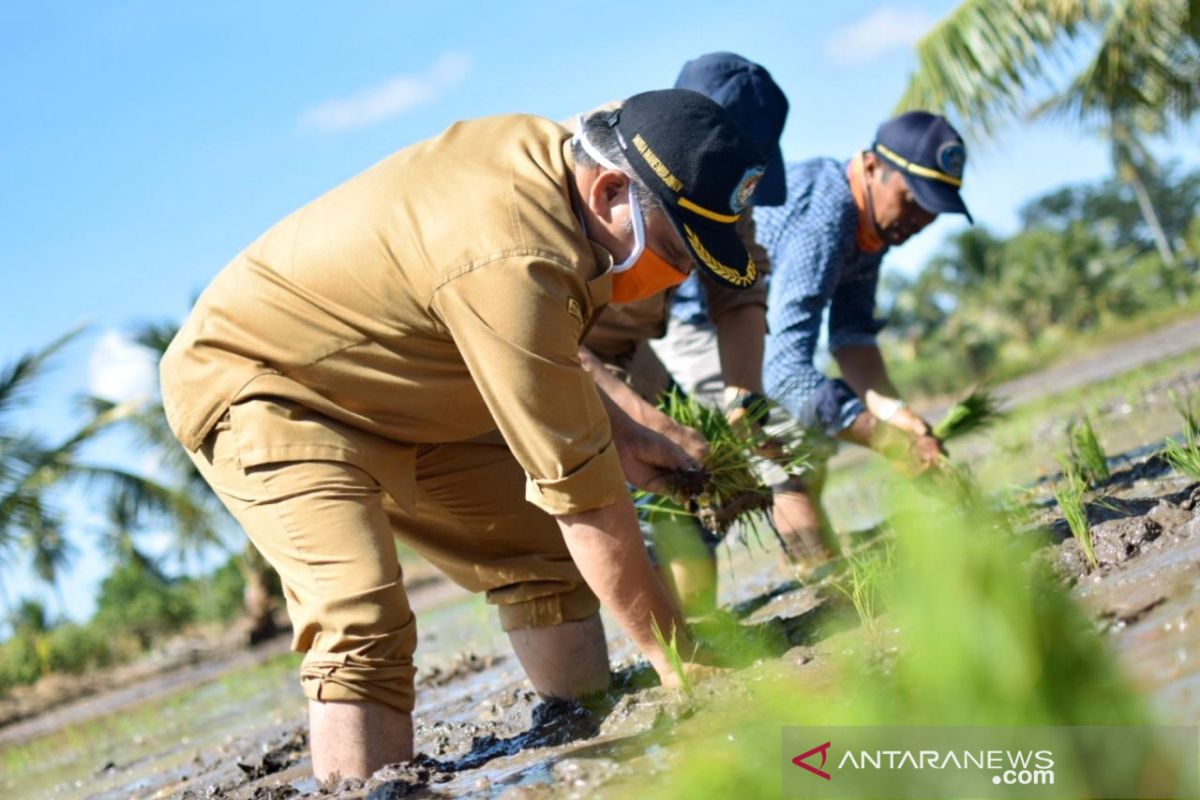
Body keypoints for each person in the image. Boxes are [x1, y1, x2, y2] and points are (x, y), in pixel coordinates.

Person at [159, 89, 766, 781]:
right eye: (673, 249)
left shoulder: (562, 181)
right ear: (610, 191)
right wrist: (679, 656)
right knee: (360, 619)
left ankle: (579, 726)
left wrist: (629, 437)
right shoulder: (515, 249)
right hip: (269, 386)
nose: (681, 273)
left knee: (538, 554)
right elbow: (586, 497)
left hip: (409, 383)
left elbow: (554, 371)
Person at [578, 53, 789, 617]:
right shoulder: (602, 165)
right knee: (639, 498)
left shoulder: (722, 187)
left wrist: (744, 397)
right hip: (560, 357)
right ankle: (673, 646)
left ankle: (700, 631)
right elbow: (543, 336)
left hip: (630, 348)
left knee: (700, 481)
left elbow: (738, 288)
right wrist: (641, 421)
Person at [755, 111, 973, 563]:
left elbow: (852, 337)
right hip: (694, 320)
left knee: (802, 455)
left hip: (747, 326)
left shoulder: (871, 229)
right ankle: (832, 597)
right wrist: (886, 441)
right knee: (790, 455)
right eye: (912, 199)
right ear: (872, 167)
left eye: (933, 209)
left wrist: (898, 416)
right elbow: (785, 374)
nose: (920, 219)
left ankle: (827, 583)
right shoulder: (827, 218)